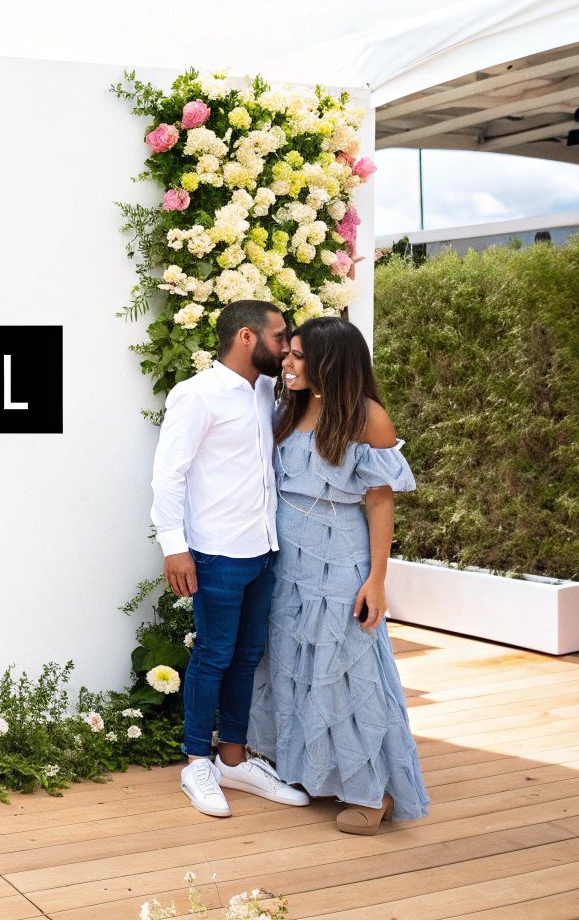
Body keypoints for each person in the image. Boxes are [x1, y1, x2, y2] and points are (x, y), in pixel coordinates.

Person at [248, 315, 429, 834]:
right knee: (291, 660)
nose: (287, 362)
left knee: (350, 668)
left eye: (299, 355)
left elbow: (379, 502)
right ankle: (311, 771)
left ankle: (375, 792)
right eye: (289, 353)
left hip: (341, 558)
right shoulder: (290, 409)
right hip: (287, 558)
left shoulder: (368, 417)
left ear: (331, 361)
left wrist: (377, 579)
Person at [151, 299, 311, 818]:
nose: (286, 346)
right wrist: (173, 546)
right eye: (279, 336)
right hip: (216, 552)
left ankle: (234, 760)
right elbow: (168, 474)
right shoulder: (196, 396)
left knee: (247, 657)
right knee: (213, 657)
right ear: (247, 337)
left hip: (264, 549)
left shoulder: (268, 390)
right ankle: (197, 761)